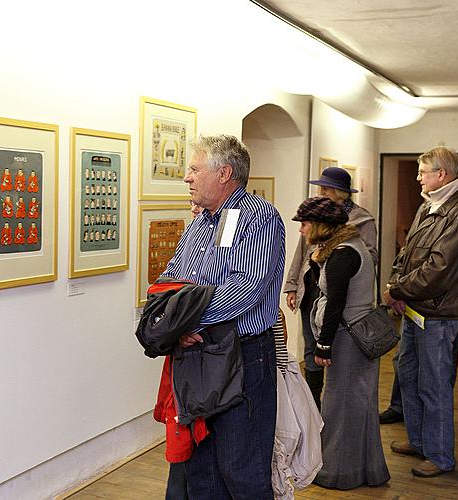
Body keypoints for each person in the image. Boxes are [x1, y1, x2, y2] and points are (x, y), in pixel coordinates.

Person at [161, 134, 285, 498]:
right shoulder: (202, 221)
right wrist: (172, 322)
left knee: (242, 469)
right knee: (202, 468)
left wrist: (187, 322)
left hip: (242, 357)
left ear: (224, 173)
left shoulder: (257, 216)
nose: (187, 177)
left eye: (195, 169)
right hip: (199, 357)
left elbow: (245, 287)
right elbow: (171, 276)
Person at [384, 146, 458, 478]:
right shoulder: (431, 205)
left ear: (441, 174)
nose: (418, 178)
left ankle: (440, 456)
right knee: (409, 374)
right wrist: (396, 286)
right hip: (418, 309)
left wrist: (398, 290)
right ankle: (419, 441)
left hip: (440, 316)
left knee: (435, 385)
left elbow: (438, 269)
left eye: (422, 172)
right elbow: (408, 252)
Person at [291, 197, 389, 489]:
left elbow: (335, 303)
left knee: (339, 405)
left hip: (347, 338)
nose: (302, 230)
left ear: (321, 226)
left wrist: (323, 345)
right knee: (359, 404)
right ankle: (366, 470)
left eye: (305, 224)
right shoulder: (349, 247)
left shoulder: (343, 254)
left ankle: (337, 472)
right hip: (356, 336)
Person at [284, 167, 377, 409]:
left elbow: (368, 256)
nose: (322, 192)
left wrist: (335, 262)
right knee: (310, 349)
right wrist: (292, 284)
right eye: (321, 188)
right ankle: (313, 404)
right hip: (311, 290)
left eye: (326, 188)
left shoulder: (361, 220)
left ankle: (328, 407)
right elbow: (301, 252)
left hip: (340, 294)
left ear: (341, 193)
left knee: (331, 353)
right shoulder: (316, 214)